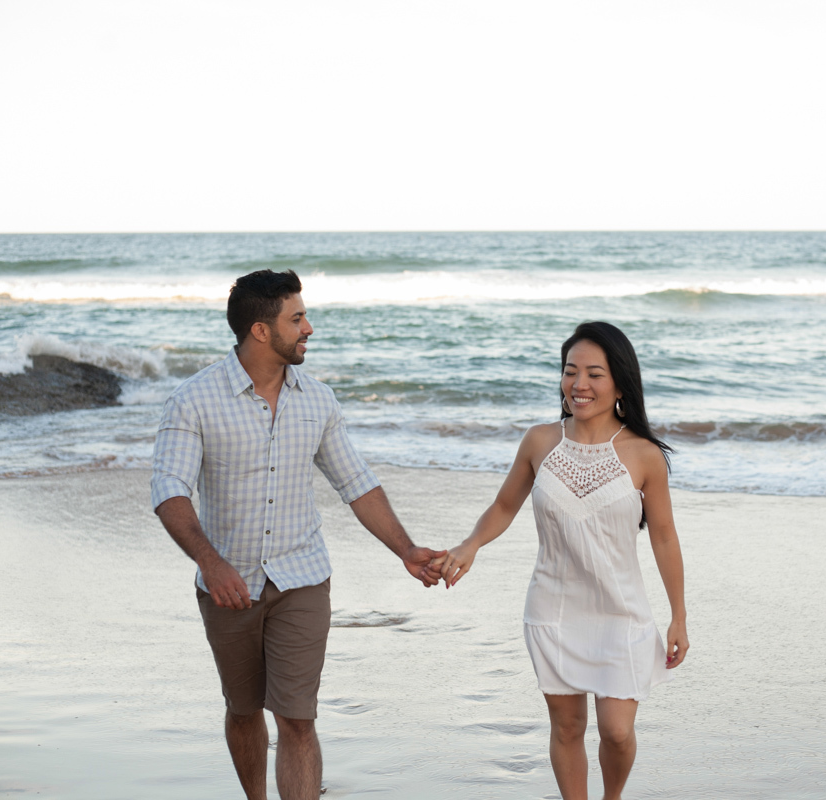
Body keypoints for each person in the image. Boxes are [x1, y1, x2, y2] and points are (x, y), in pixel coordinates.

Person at [150, 269, 444, 800]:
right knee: (243, 710)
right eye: (298, 318)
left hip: (303, 577)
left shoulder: (318, 400)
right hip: (228, 585)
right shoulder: (192, 400)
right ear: (262, 330)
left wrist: (407, 549)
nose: (309, 328)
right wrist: (211, 564)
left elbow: (356, 483)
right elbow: (170, 492)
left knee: (297, 718)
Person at [434, 321, 688, 800]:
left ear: (619, 382)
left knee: (615, 730)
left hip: (622, 612)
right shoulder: (540, 441)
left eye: (594, 373)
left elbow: (665, 537)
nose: (580, 385)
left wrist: (679, 615)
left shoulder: (643, 454)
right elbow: (504, 505)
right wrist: (470, 545)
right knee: (567, 728)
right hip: (554, 607)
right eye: (571, 372)